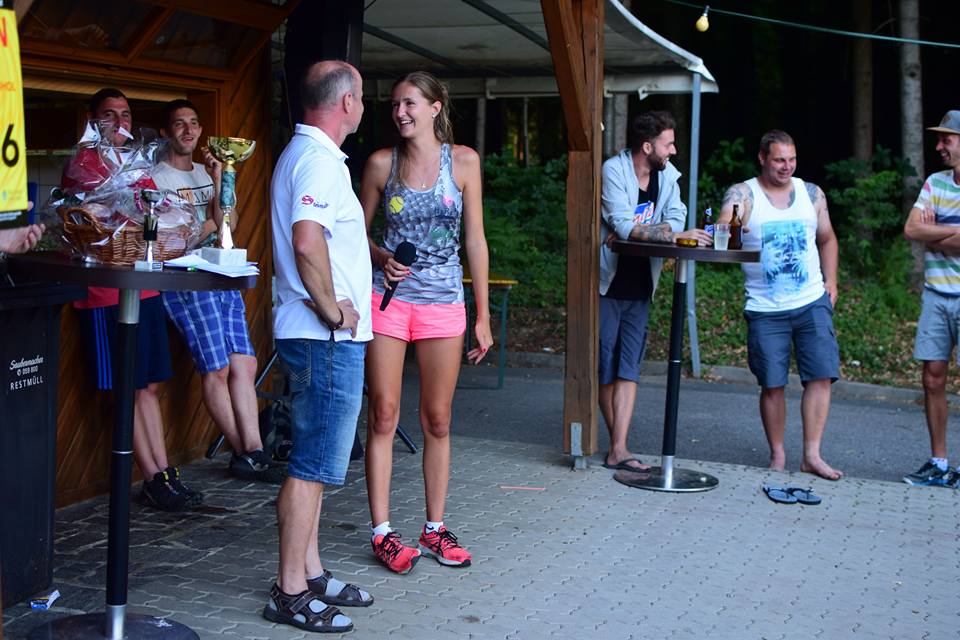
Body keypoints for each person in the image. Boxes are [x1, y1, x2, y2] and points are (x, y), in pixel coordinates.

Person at [359, 70, 493, 574]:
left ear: (436, 107)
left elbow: (475, 240)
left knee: (437, 419)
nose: (400, 112)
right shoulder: (381, 163)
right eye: (395, 104)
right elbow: (355, 233)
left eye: (410, 103)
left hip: (443, 303)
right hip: (388, 302)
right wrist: (381, 257)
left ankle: (434, 529)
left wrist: (483, 314)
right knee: (383, 415)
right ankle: (382, 533)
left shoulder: (464, 162)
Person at [265, 60, 374, 633]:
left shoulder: (308, 154)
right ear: (347, 102)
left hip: (316, 336)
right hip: (324, 336)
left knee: (314, 460)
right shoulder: (318, 161)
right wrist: (333, 311)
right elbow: (307, 243)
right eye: (363, 96)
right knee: (312, 465)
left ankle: (308, 573)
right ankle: (289, 592)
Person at [63, 88, 202, 511]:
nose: (120, 122)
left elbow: (154, 211)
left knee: (150, 385)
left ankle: (164, 472)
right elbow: (120, 212)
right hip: (107, 292)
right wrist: (144, 209)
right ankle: (152, 476)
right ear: (93, 120)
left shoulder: (137, 163)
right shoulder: (84, 163)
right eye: (110, 115)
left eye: (125, 115)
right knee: (129, 386)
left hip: (146, 284)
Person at [154, 99, 283, 484]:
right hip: (186, 279)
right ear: (165, 132)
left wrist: (218, 179)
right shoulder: (156, 179)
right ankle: (244, 452)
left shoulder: (206, 171)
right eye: (179, 124)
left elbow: (230, 223)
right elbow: (170, 239)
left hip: (222, 272)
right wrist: (210, 225)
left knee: (245, 364)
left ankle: (255, 452)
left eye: (194, 123)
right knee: (217, 369)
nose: (188, 130)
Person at [718, 130, 842, 480]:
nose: (787, 167)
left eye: (792, 159)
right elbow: (725, 227)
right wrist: (728, 227)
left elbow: (827, 238)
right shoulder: (744, 194)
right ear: (762, 158)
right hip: (765, 307)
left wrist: (831, 281)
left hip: (811, 301)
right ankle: (777, 456)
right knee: (772, 383)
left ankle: (812, 455)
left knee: (820, 376)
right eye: (779, 160)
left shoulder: (811, 193)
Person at [598, 111, 712, 473]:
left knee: (628, 367)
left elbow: (676, 218)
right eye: (668, 144)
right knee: (605, 366)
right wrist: (664, 234)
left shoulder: (668, 177)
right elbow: (622, 224)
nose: (673, 151)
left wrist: (651, 232)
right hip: (607, 283)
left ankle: (618, 448)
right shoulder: (614, 171)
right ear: (647, 147)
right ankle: (618, 447)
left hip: (642, 283)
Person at [901, 110, 960, 489]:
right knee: (932, 378)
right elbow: (911, 229)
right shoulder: (935, 183)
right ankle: (939, 465)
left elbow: (925, 231)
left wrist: (931, 231)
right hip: (936, 295)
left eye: (946, 139)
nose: (939, 146)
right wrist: (949, 232)